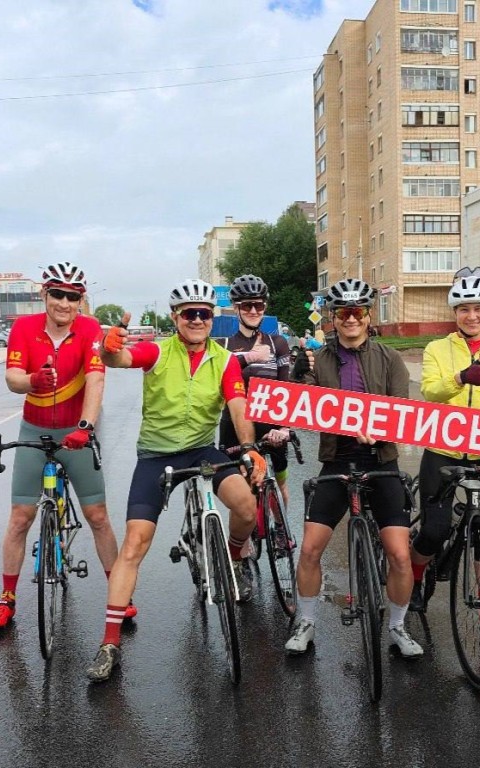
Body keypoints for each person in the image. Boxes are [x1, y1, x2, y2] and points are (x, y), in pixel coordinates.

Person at [87, 278, 266, 682]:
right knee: (135, 543)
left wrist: (249, 447)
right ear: (176, 318)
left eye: (204, 313)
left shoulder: (224, 360)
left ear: (212, 317)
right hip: (157, 454)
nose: (198, 320)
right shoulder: (159, 351)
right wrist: (108, 348)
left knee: (246, 506)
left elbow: (238, 407)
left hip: (203, 450)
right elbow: (121, 360)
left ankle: (236, 554)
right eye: (190, 314)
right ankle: (109, 642)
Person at [0, 261, 129, 632]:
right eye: (58, 294)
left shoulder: (91, 328)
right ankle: (7, 597)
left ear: (81, 300)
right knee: (20, 518)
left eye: (73, 296)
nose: (64, 302)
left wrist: (85, 426)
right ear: (44, 294)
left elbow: (96, 380)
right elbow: (13, 378)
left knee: (98, 517)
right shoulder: (24, 327)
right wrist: (32, 379)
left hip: (75, 430)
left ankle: (119, 594)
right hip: (34, 428)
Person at [285, 278, 423, 659]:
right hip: (337, 459)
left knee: (398, 554)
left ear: (367, 316)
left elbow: (402, 409)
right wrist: (298, 376)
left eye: (357, 312)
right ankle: (307, 621)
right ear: (333, 318)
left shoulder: (389, 359)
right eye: (343, 312)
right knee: (311, 549)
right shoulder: (321, 359)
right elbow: (302, 403)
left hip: (381, 460)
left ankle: (397, 625)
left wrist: (378, 436)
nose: (350, 319)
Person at [409, 267, 480, 650]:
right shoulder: (437, 349)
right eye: (464, 309)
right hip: (442, 450)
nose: (472, 316)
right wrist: (461, 378)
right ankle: (418, 576)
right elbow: (430, 392)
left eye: (479, 309)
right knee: (434, 531)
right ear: (455, 313)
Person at [218, 274, 293, 509]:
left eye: (258, 305)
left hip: (270, 421)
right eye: (247, 305)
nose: (253, 310)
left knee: (280, 488)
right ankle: (247, 541)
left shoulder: (277, 343)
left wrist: (284, 428)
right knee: (242, 496)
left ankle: (281, 531)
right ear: (235, 308)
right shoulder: (224, 346)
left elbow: (285, 387)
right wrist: (248, 357)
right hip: (235, 423)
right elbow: (219, 375)